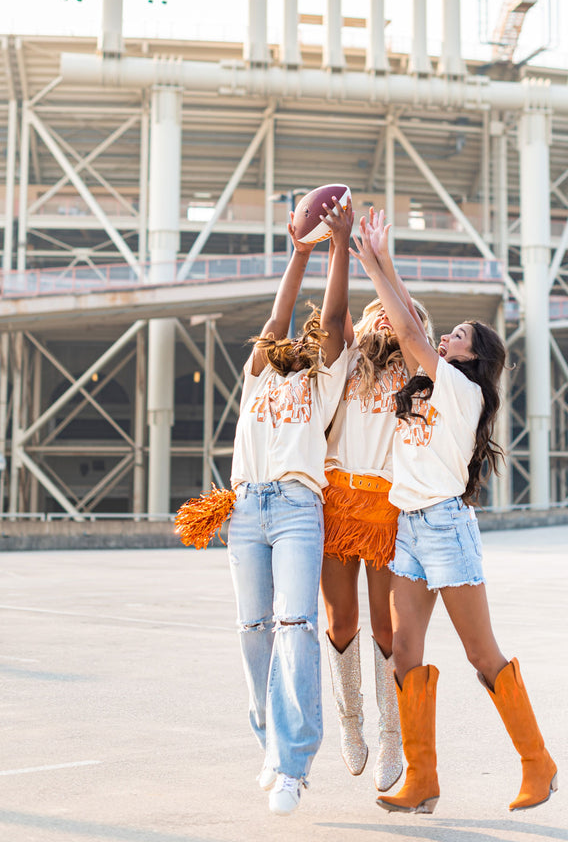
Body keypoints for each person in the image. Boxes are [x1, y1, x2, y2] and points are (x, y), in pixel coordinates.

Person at [351, 218, 557, 815]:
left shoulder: (462, 393)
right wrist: (383, 265)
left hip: (444, 527)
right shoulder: (425, 385)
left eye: (460, 335)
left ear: (475, 357)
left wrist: (375, 263)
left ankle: (537, 763)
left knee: (480, 652)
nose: (447, 337)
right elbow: (411, 327)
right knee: (405, 651)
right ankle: (422, 779)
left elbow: (411, 331)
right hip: (408, 528)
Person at [227, 197, 353, 816]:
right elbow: (277, 319)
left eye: (312, 341)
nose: (300, 341)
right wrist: (297, 253)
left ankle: (292, 764)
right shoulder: (259, 373)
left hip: (300, 506)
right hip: (247, 506)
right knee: (254, 633)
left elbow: (332, 320)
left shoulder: (323, 379)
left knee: (296, 627)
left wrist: (336, 249)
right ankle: (269, 740)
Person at [321, 213, 432, 793]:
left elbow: (411, 323)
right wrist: (342, 250)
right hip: (338, 501)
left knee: (390, 632)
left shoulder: (415, 374)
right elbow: (336, 318)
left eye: (389, 309)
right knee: (341, 621)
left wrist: (384, 265)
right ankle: (350, 720)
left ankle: (392, 734)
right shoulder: (343, 362)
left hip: (392, 509)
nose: (381, 315)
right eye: (375, 310)